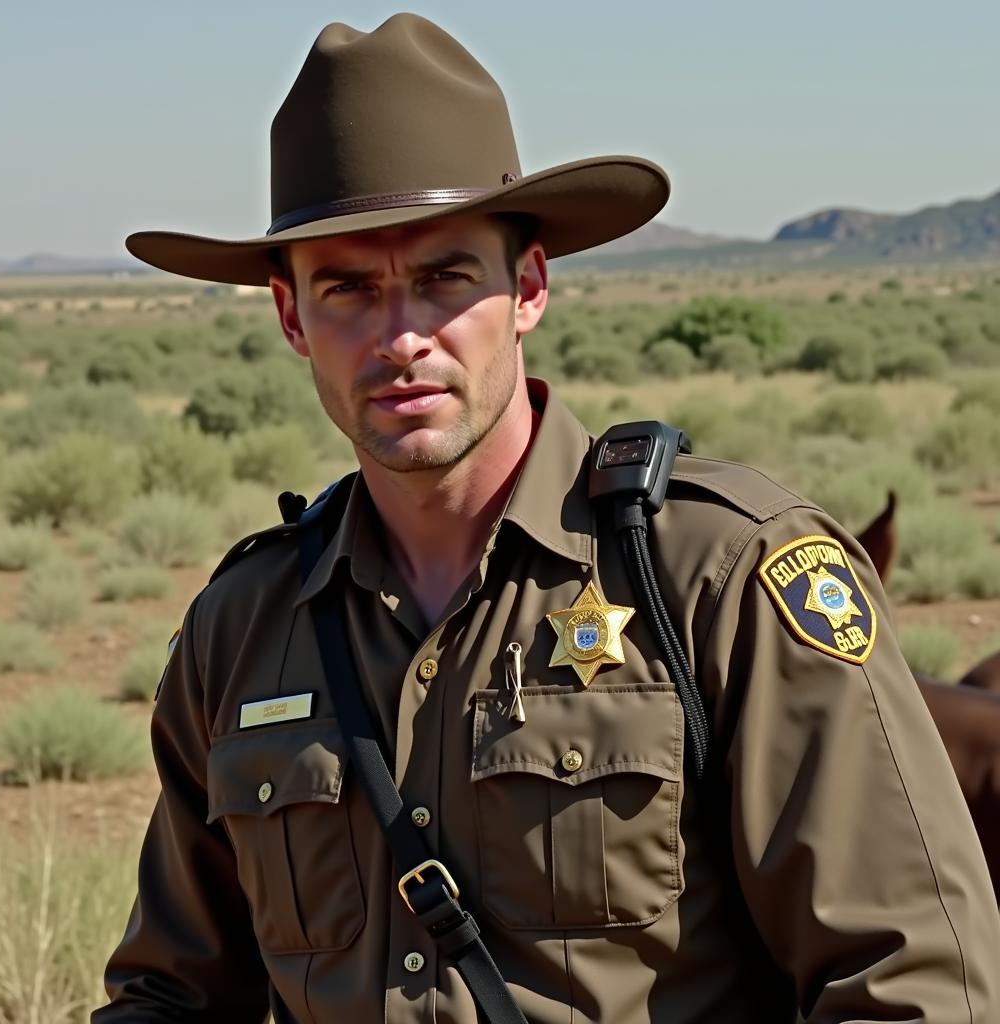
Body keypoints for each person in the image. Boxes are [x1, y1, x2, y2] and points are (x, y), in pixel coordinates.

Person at [94, 13, 1000, 1023]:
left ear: (526, 289)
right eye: (349, 288)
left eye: (444, 278)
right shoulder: (245, 630)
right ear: (291, 317)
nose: (400, 337)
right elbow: (168, 993)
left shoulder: (719, 575)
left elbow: (911, 982)